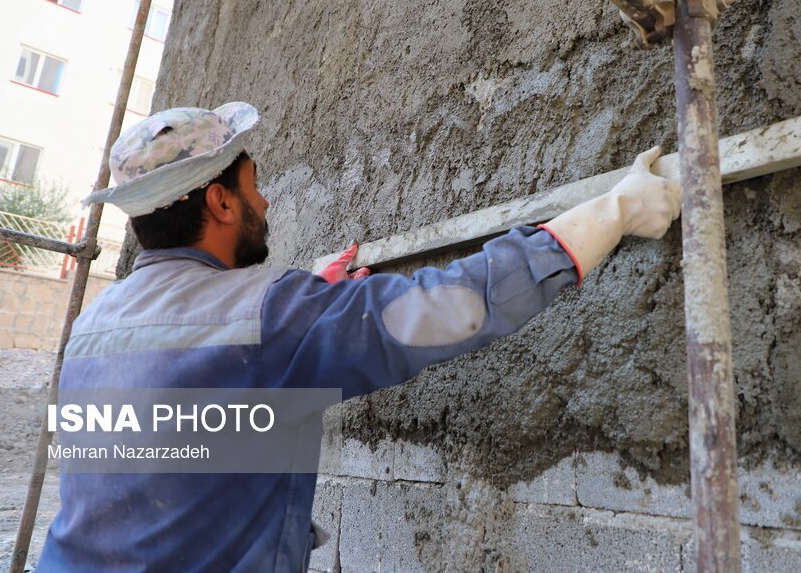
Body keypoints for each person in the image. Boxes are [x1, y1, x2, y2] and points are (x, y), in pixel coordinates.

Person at [38, 102, 680, 571]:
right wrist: (614, 210)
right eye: (255, 188)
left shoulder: (93, 324)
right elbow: (455, 306)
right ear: (221, 204)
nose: (265, 204)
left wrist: (307, 308)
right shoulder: (271, 318)